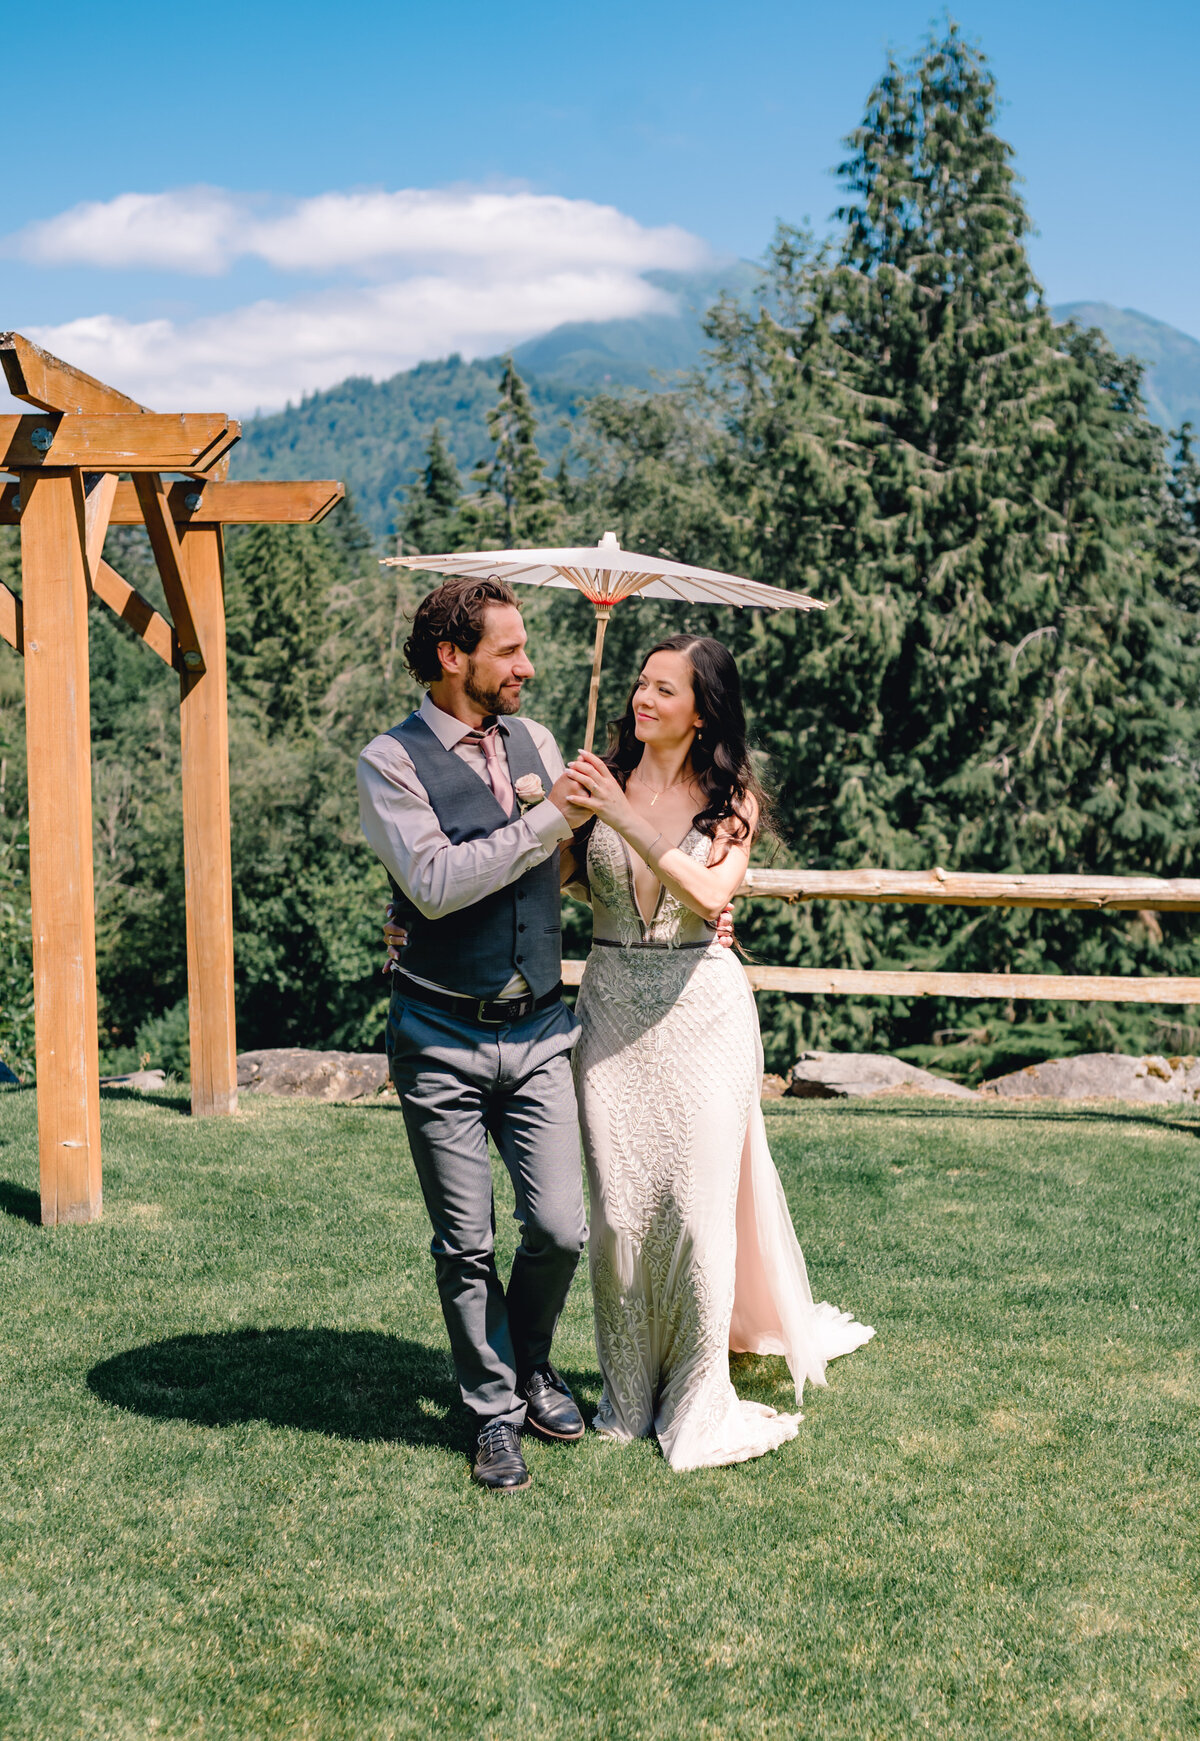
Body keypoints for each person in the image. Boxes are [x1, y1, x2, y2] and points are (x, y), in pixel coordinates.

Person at [563, 634, 874, 1472]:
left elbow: (709, 892)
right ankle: (626, 1395)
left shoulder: (731, 798)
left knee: (698, 1219)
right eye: (640, 683)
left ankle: (700, 1394)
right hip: (610, 1010)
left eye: (665, 689)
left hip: (702, 1011)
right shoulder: (600, 780)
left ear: (703, 710)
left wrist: (619, 815)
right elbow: (556, 876)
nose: (644, 698)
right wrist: (558, 808)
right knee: (621, 1215)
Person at [357, 576, 592, 1493]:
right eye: (510, 651)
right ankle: (493, 1410)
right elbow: (435, 883)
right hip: (441, 1036)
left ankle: (530, 1362)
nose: (527, 667)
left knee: (562, 1228)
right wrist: (544, 819)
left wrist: (588, 831)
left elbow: (564, 868)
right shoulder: (392, 761)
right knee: (466, 1245)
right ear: (453, 658)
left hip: (539, 1028)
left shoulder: (534, 739)